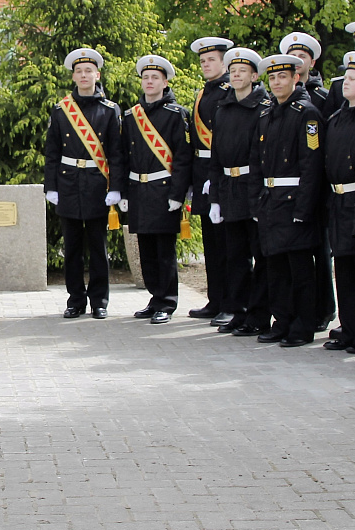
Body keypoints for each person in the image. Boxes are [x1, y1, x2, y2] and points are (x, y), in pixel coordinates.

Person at [44, 47, 126, 320]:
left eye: (88, 71)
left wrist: (115, 187)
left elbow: (116, 152)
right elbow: (52, 152)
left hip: (96, 184)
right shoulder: (61, 110)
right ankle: (75, 300)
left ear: (97, 74)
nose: (83, 75)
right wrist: (51, 187)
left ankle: (99, 301)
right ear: (74, 76)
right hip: (68, 184)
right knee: (72, 248)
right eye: (78, 71)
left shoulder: (110, 110)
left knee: (97, 247)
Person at [252, 53, 325, 347]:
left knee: (300, 271)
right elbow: (256, 162)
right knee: (276, 269)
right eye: (272, 77)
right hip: (271, 201)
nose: (277, 82)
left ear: (296, 78)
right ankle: (281, 321)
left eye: (283, 77)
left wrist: (303, 208)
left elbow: (312, 165)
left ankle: (302, 326)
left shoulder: (307, 114)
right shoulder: (266, 115)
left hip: (295, 202)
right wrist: (258, 201)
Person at [119, 55, 192, 324]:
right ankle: (154, 298)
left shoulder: (177, 114)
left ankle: (167, 302)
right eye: (146, 78)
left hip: (164, 190)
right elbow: (122, 155)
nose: (149, 82)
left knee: (164, 251)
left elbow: (183, 158)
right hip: (138, 188)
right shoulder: (130, 116)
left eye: (155, 78)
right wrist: (123, 192)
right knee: (146, 250)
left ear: (165, 82)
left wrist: (177, 194)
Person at [207, 47, 270, 335]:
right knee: (236, 257)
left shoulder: (263, 108)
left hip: (252, 187)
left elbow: (263, 157)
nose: (235, 75)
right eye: (232, 71)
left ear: (255, 76)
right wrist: (216, 198)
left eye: (242, 71)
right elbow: (215, 156)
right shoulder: (223, 108)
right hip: (229, 188)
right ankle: (238, 311)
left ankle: (258, 315)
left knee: (260, 255)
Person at [280, 30, 336, 334]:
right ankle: (299, 310)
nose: (297, 63)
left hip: (319, 186)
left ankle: (324, 309)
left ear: (311, 62)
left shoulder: (321, 98)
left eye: (301, 57)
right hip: (292, 192)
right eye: (292, 58)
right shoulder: (279, 99)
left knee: (320, 253)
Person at [321, 51, 355, 353]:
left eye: (353, 79)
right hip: (338, 200)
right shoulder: (337, 118)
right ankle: (350, 327)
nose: (346, 84)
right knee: (342, 268)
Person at [186, 35, 234, 321]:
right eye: (202, 61)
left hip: (224, 174)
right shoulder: (203, 93)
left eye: (211, 60)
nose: (205, 65)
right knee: (212, 245)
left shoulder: (229, 92)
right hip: (203, 172)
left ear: (224, 62)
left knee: (229, 244)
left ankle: (231, 303)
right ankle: (215, 299)